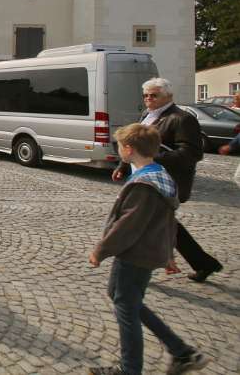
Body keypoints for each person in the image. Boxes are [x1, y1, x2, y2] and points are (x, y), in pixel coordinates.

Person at [88, 124, 209, 375]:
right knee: (124, 298)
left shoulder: (143, 184)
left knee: (126, 307)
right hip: (150, 251)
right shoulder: (161, 174)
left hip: (135, 254)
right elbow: (166, 221)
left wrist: (100, 250)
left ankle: (130, 369)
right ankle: (182, 352)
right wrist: (168, 254)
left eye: (119, 146)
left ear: (129, 150)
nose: (118, 150)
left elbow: (127, 226)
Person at [112, 78, 223, 282]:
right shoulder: (147, 115)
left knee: (138, 221)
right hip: (144, 178)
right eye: (145, 95)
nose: (148, 99)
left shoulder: (182, 119)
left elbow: (192, 153)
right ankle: (204, 263)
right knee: (165, 224)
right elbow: (135, 144)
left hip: (164, 181)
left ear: (168, 96)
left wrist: (152, 158)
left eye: (154, 95)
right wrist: (123, 165)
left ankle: (134, 271)